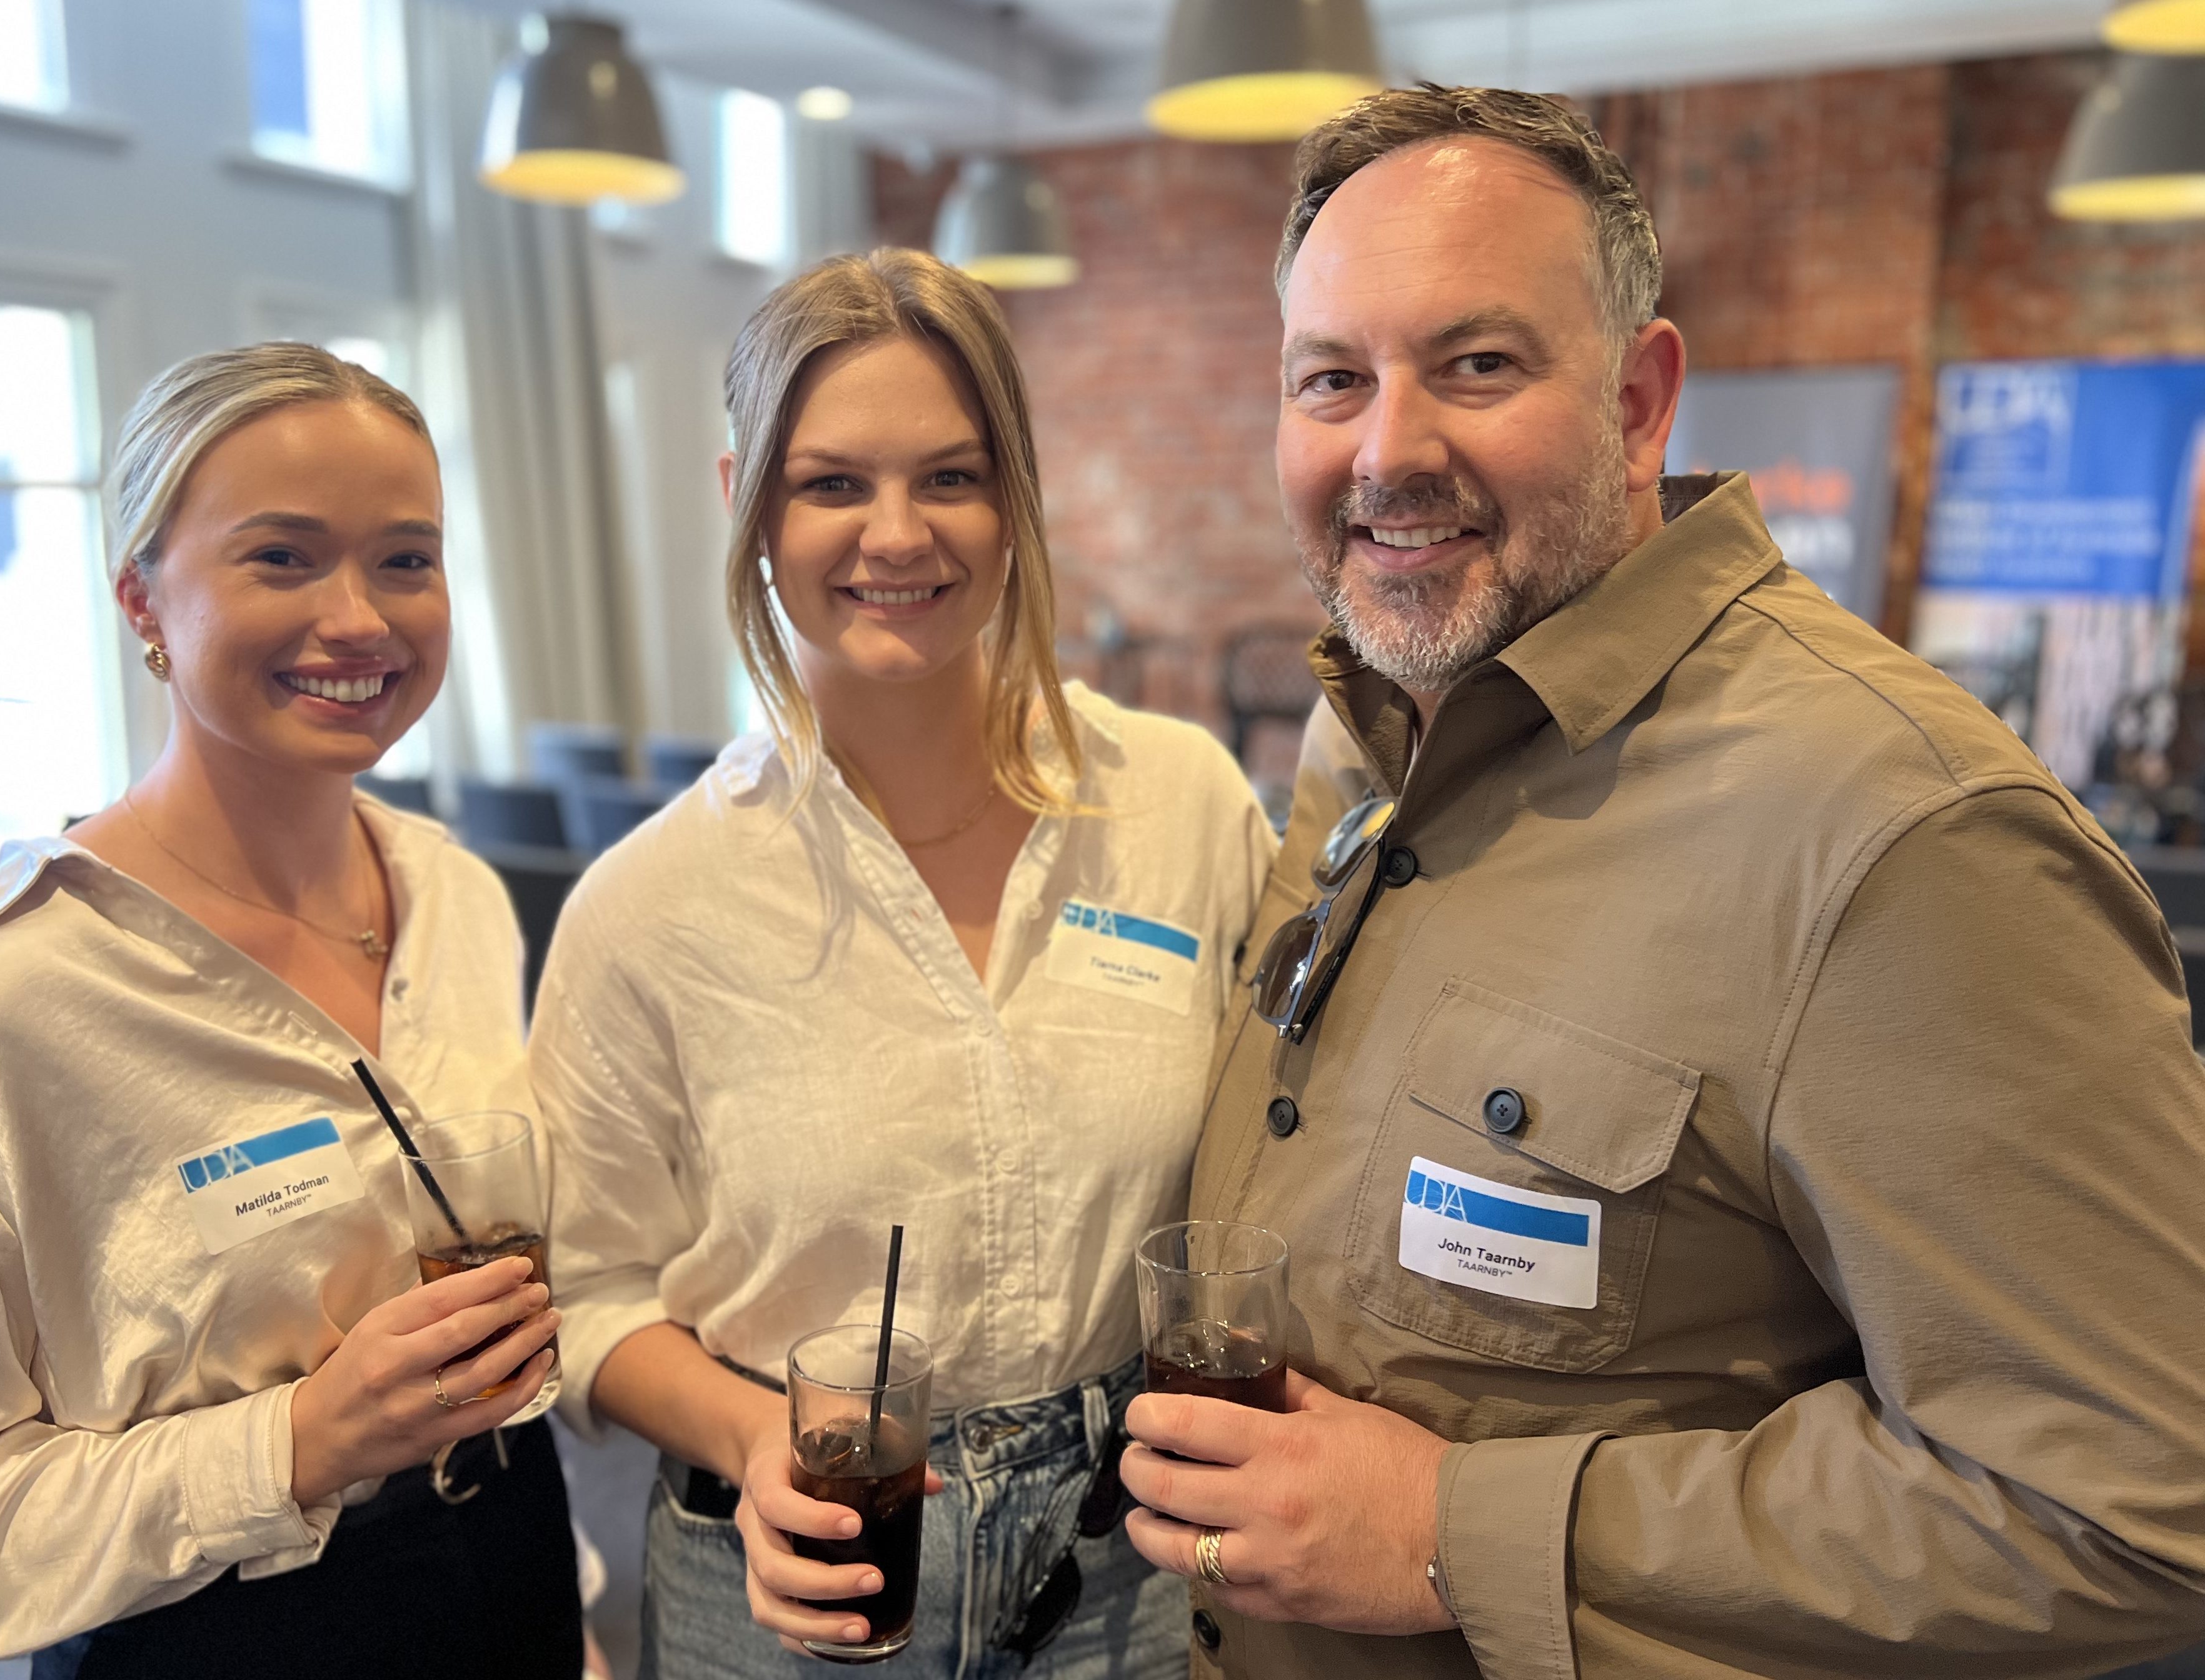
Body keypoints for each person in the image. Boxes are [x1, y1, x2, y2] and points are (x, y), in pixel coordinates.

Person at [1118, 86, 2205, 1679]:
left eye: (1477, 365)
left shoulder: (1899, 831)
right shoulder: (1372, 728)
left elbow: (2139, 1503)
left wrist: (1452, 1531)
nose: (1388, 449)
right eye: (1331, 379)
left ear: (1639, 402)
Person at [529, 248, 1277, 1680]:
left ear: (1017, 498)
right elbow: (587, 1292)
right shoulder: (653, 906)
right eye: (830, 484)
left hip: (1120, 1563)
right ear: (747, 500)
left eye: (950, 476)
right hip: (794, 1576)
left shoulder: (1184, 809)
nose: (897, 534)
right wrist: (755, 1437)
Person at [0, 344, 582, 1676]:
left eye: (405, 558)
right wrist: (296, 1443)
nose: (364, 620)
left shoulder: (455, 896)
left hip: (514, 1562)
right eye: (282, 558)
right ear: (141, 599)